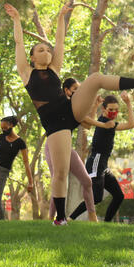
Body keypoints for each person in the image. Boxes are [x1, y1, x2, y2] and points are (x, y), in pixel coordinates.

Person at [4, 2, 134, 225]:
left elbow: (60, 41)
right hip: (56, 125)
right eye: (41, 50)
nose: (47, 51)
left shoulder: (54, 69)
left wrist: (61, 17)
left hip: (70, 110)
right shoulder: (26, 72)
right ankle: (60, 218)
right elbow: (19, 42)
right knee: (59, 174)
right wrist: (17, 20)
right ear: (31, 58)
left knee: (96, 78)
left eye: (48, 50)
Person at [45, 78, 115, 223]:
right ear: (66, 90)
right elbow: (89, 122)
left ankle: (92, 217)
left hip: (67, 148)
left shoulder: (76, 106)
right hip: (53, 146)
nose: (78, 92)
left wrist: (95, 106)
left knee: (87, 181)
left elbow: (87, 124)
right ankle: (51, 219)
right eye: (75, 89)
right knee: (58, 181)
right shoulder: (62, 103)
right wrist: (103, 125)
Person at [68, 93, 134, 222]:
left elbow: (91, 120)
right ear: (104, 109)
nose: (114, 112)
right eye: (111, 109)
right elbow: (131, 124)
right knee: (96, 197)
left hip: (103, 165)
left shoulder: (102, 120)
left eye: (116, 110)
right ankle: (71, 218)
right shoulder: (106, 123)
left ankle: (107, 223)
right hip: (96, 161)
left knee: (119, 195)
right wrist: (127, 103)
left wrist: (95, 105)